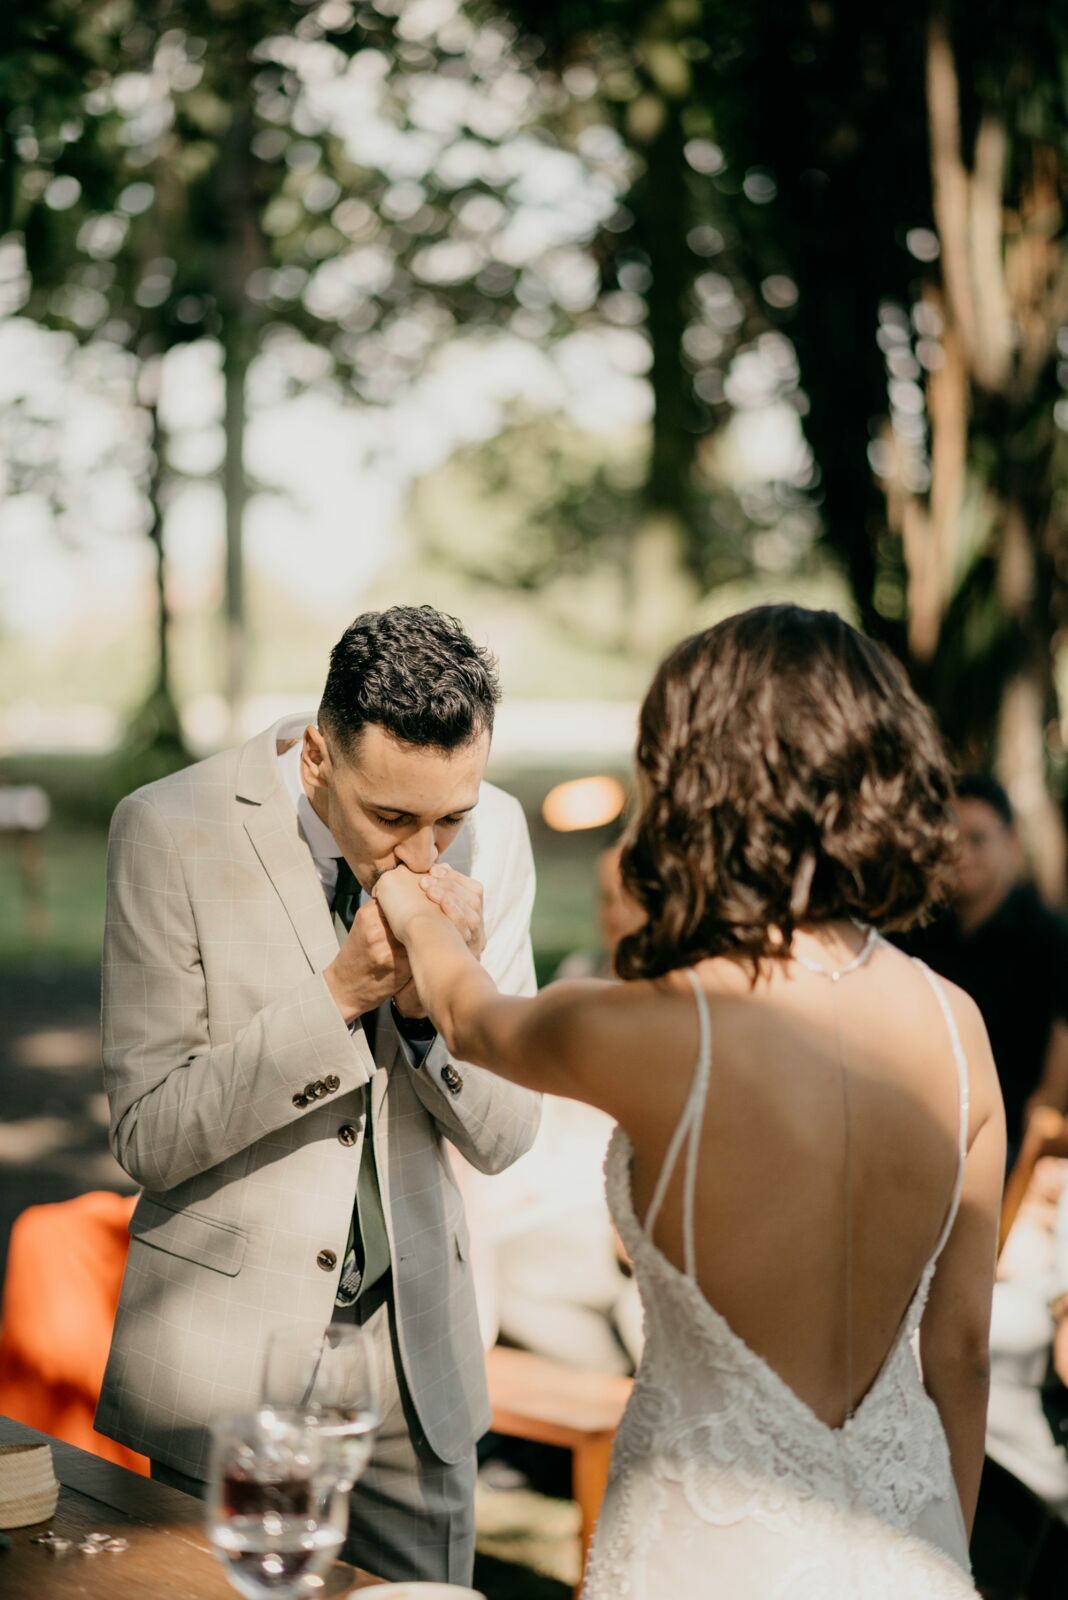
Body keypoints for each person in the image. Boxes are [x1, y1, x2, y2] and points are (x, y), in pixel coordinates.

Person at [374, 604, 1004, 1598]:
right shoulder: (958, 1027)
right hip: (911, 1549)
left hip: (709, 1560)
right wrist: (942, 1556)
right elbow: (960, 1353)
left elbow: (469, 1015)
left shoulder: (667, 1026)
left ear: (696, 781)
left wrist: (413, 908)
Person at [95, 605, 541, 1585]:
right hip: (227, 1362)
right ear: (316, 759)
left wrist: (428, 1018)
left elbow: (508, 1135)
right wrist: (339, 994)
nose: (425, 855)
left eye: (450, 819)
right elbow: (148, 1134)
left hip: (413, 1362)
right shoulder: (167, 830)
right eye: (392, 819)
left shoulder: (500, 834)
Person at [900, 775, 1068, 1156]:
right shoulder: (916, 934)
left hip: (1014, 1143)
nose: (962, 854)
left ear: (1011, 842)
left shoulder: (1051, 937)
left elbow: (1053, 1087)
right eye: (952, 841)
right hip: (924, 1133)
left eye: (977, 839)